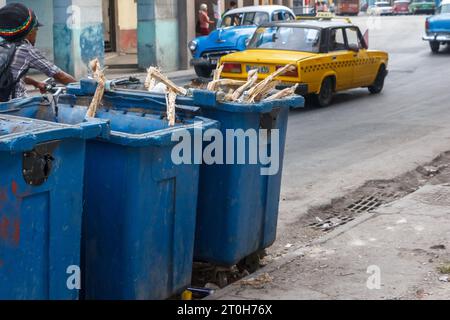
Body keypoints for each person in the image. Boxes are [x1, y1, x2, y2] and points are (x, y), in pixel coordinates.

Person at [0, 3, 76, 101]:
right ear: (30, 32)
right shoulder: (26, 50)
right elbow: (59, 75)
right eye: (36, 30)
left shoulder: (3, 46)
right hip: (16, 107)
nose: (36, 34)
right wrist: (82, 88)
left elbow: (13, 75)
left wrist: (36, 83)